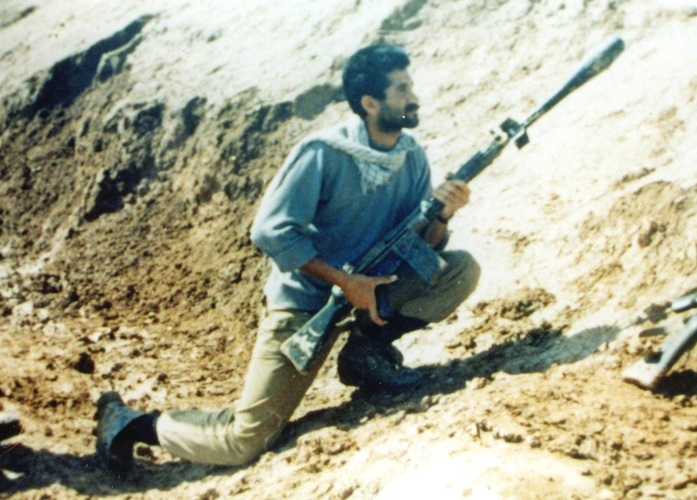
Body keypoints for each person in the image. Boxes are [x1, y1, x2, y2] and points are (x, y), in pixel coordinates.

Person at [95, 44, 480, 472]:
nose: (414, 98)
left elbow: (423, 245)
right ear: (370, 103)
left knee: (459, 270)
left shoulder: (411, 157)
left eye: (411, 86)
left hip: (369, 293)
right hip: (306, 305)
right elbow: (270, 230)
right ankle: (130, 424)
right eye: (402, 89)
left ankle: (365, 353)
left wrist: (442, 214)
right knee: (242, 441)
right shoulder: (324, 152)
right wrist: (344, 282)